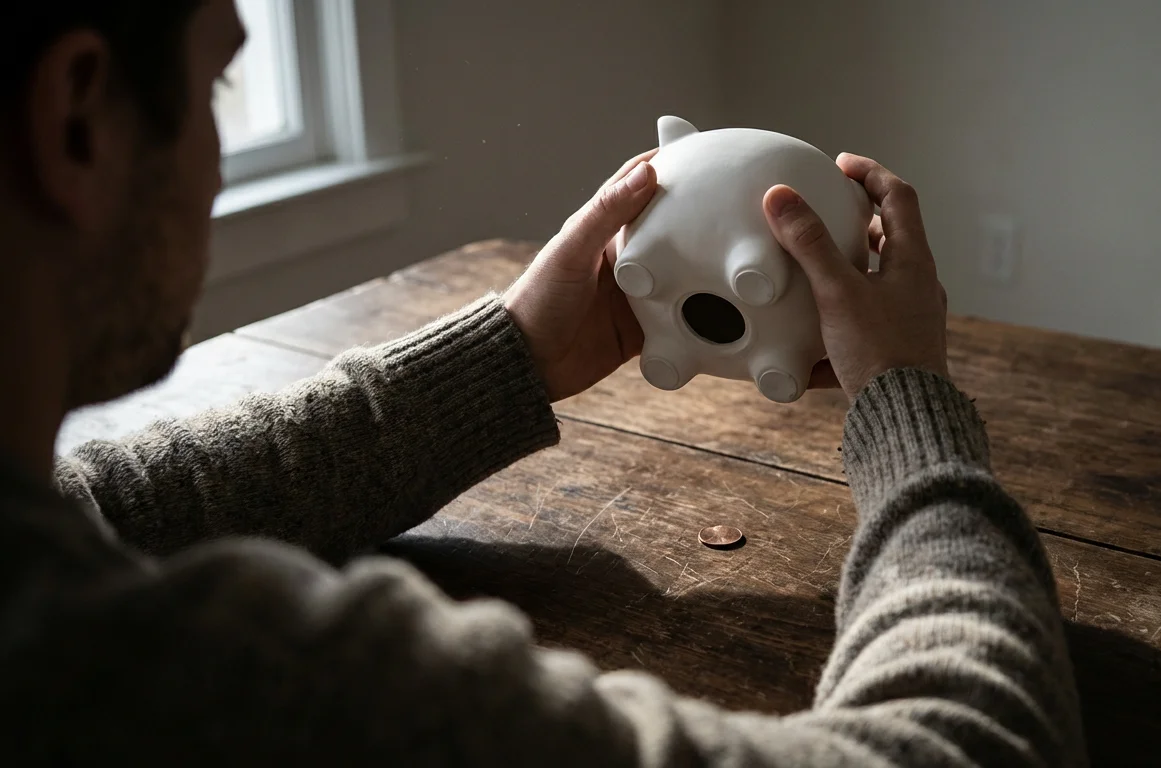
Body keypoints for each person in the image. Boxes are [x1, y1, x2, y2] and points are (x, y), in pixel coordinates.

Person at [0, 1, 1086, 765]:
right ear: (78, 118)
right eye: (219, 80)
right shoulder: (158, 680)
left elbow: (123, 507)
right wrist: (910, 410)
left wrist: (508, 354)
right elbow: (973, 746)